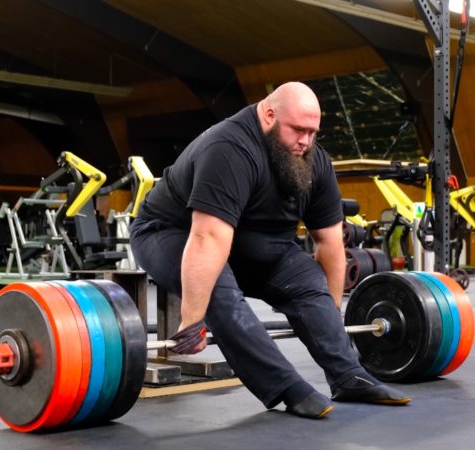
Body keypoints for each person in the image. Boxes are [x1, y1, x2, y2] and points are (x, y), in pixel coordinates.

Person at [129, 81, 410, 419]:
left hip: (252, 243)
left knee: (307, 278)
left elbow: (330, 242)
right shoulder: (229, 148)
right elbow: (208, 239)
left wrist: (330, 315)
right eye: (298, 130)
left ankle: (349, 375)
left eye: (312, 132)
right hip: (172, 232)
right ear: (268, 114)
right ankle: (287, 387)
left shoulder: (313, 161)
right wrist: (192, 322)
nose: (305, 141)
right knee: (218, 288)